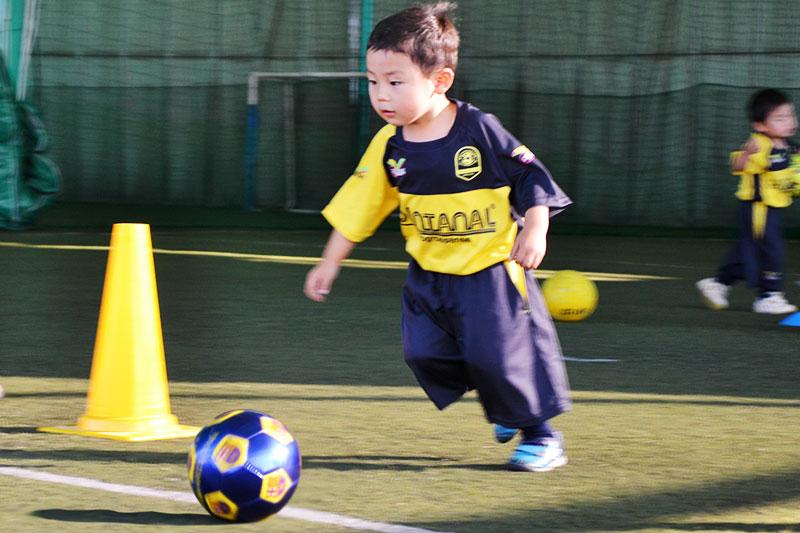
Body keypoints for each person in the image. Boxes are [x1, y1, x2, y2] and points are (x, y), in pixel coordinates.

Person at [303, 2, 573, 472]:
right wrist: (329, 262)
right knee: (423, 353)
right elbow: (358, 206)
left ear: (440, 80)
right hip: (428, 277)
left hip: (490, 271)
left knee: (499, 357)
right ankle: (499, 397)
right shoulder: (389, 145)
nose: (381, 95)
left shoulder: (479, 130)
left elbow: (531, 177)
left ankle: (541, 436)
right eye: (372, 82)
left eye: (395, 82)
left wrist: (535, 227)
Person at [697, 88, 798, 314]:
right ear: (760, 125)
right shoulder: (760, 144)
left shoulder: (791, 147)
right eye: (780, 118)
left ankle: (719, 283)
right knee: (769, 249)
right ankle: (769, 295)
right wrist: (745, 155)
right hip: (756, 209)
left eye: (791, 115)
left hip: (772, 209)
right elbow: (737, 165)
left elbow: (793, 176)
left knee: (751, 251)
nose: (789, 121)